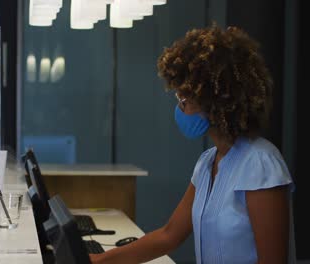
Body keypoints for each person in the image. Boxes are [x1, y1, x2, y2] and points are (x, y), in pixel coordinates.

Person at [90, 25, 295, 264]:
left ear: (217, 102)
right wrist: (98, 260)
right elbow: (169, 236)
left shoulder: (261, 163)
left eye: (185, 99)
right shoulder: (208, 162)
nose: (180, 108)